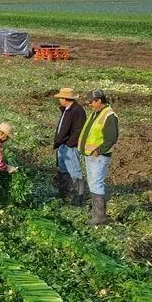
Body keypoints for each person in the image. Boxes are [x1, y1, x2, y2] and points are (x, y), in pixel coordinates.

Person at [78, 89, 119, 226]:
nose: (90, 104)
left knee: (97, 183)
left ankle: (100, 216)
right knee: (93, 182)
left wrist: (98, 151)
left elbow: (112, 138)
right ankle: (96, 213)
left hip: (99, 156)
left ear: (99, 100)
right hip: (90, 154)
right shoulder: (96, 113)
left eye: (91, 102)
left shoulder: (109, 116)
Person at [51, 88, 86, 205]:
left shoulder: (77, 110)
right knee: (63, 169)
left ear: (66, 99)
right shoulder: (66, 110)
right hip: (62, 145)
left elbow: (79, 130)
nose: (59, 100)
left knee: (74, 171)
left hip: (70, 146)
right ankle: (64, 193)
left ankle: (78, 197)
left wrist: (70, 143)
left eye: (60, 98)